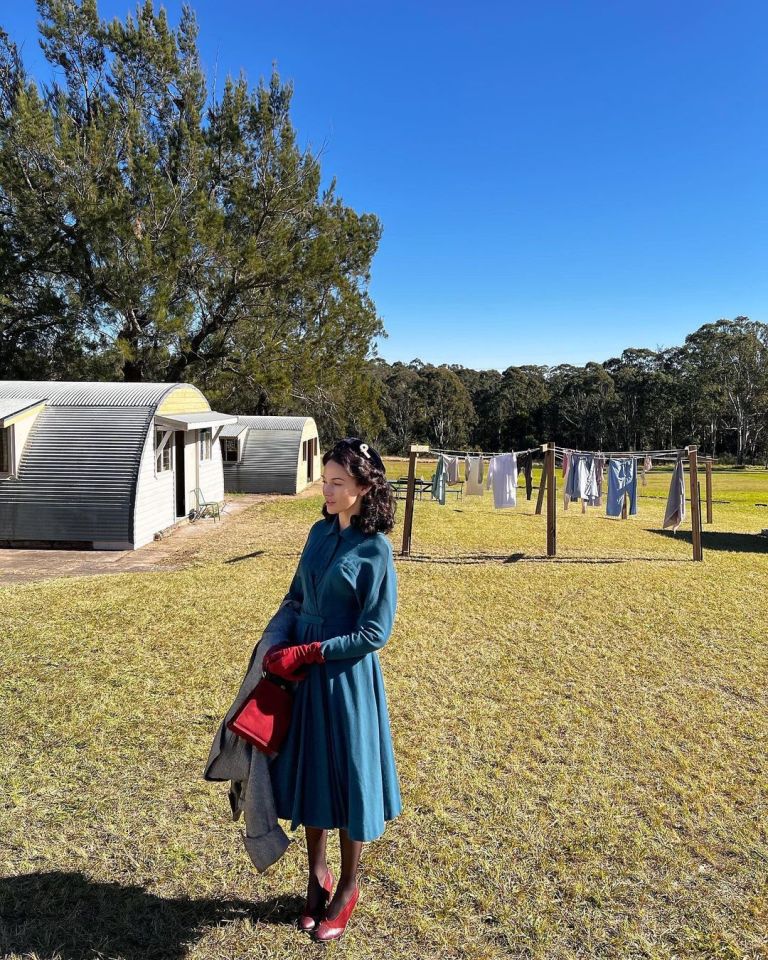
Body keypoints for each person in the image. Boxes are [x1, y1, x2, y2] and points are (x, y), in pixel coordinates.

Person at [263, 437, 402, 942]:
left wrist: (313, 652)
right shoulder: (318, 533)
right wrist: (278, 641)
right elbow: (296, 595)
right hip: (303, 679)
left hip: (344, 680)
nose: (327, 489)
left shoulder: (376, 550)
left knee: (346, 781)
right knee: (313, 775)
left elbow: (375, 632)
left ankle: (347, 886)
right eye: (325, 480)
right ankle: (315, 876)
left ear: (364, 487)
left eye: (338, 482)